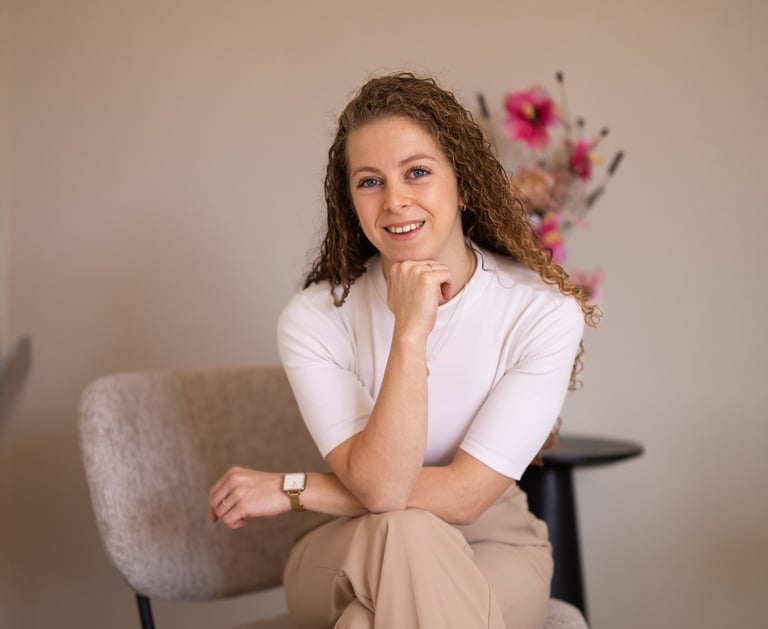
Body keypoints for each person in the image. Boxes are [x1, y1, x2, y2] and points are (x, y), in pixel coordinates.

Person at [209, 72, 599, 628]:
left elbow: (466, 498)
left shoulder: (541, 312)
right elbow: (381, 494)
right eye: (370, 182)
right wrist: (410, 330)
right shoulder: (315, 319)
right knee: (403, 529)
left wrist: (296, 489)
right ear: (350, 200)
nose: (394, 201)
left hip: (492, 539)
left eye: (417, 172)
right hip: (347, 545)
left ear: (464, 185)